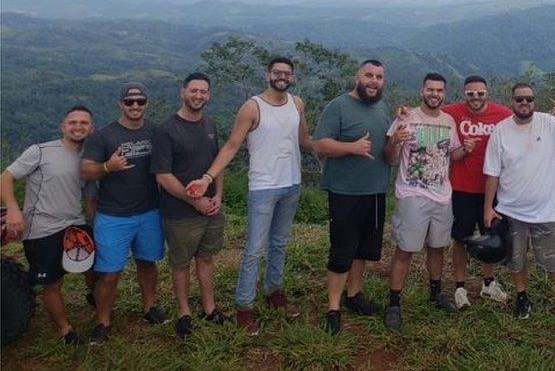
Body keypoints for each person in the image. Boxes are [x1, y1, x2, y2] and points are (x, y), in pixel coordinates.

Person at [187, 57, 311, 335]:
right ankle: (244, 305)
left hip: (292, 183)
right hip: (263, 187)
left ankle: (274, 291)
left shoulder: (298, 103)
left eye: (287, 73)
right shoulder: (252, 107)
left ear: (292, 77)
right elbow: (232, 146)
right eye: (277, 72)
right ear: (268, 74)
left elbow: (304, 141)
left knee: (279, 243)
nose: (282, 76)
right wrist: (207, 177)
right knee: (255, 249)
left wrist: (340, 149)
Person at [483, 83, 555, 327]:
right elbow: (493, 173)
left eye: (529, 99)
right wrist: (488, 207)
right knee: (517, 259)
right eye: (519, 100)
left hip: (547, 210)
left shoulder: (549, 124)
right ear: (512, 102)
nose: (524, 103)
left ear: (534, 101)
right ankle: (522, 296)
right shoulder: (501, 130)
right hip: (511, 209)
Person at [1, 105, 96, 345]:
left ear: (91, 128)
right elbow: (6, 177)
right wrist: (13, 209)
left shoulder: (88, 158)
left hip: (76, 223)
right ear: (63, 127)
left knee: (95, 268)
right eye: (73, 122)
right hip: (42, 229)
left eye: (84, 123)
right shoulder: (41, 151)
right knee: (52, 282)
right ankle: (66, 331)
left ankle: (94, 297)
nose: (78, 126)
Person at [81, 83, 167, 344]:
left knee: (147, 262)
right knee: (109, 271)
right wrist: (108, 166)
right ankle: (103, 320)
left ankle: (149, 307)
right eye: (129, 102)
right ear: (120, 104)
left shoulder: (156, 131)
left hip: (149, 211)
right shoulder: (104, 135)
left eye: (140, 101)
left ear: (146, 104)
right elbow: (86, 171)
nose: (135, 106)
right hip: (113, 215)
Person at [311, 59, 392, 335]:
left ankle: (354, 295)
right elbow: (319, 144)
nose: (373, 81)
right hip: (345, 192)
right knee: (342, 250)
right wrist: (352, 147)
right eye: (368, 75)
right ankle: (333, 308)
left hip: (376, 191)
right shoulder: (338, 106)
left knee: (364, 249)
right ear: (357, 76)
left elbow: (387, 148)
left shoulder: (382, 108)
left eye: (379, 77)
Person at [382, 73, 468, 330]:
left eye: (439, 90)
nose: (435, 94)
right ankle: (394, 303)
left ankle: (435, 292)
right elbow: (389, 157)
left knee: (437, 247)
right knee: (405, 250)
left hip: (442, 195)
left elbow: (453, 153)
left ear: (444, 93)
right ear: (422, 91)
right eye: (430, 89)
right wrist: (395, 140)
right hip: (412, 195)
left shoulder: (448, 120)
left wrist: (468, 149)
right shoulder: (406, 118)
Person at [150, 72, 226, 339]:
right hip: (180, 212)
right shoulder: (166, 129)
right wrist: (196, 202)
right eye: (193, 90)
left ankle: (209, 307)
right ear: (182, 92)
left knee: (206, 258)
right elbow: (163, 176)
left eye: (203, 91)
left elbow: (218, 164)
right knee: (180, 264)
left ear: (209, 95)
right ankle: (184, 313)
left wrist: (218, 195)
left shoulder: (210, 125)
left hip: (211, 209)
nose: (198, 96)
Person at [441, 75, 511, 309]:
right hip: (462, 187)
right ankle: (460, 287)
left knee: (490, 236)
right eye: (471, 94)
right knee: (460, 238)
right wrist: (405, 111)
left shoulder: (502, 114)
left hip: (492, 188)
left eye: (480, 93)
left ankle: (488, 283)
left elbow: (523, 123)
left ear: (487, 93)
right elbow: (428, 113)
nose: (476, 98)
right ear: (464, 94)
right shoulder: (453, 112)